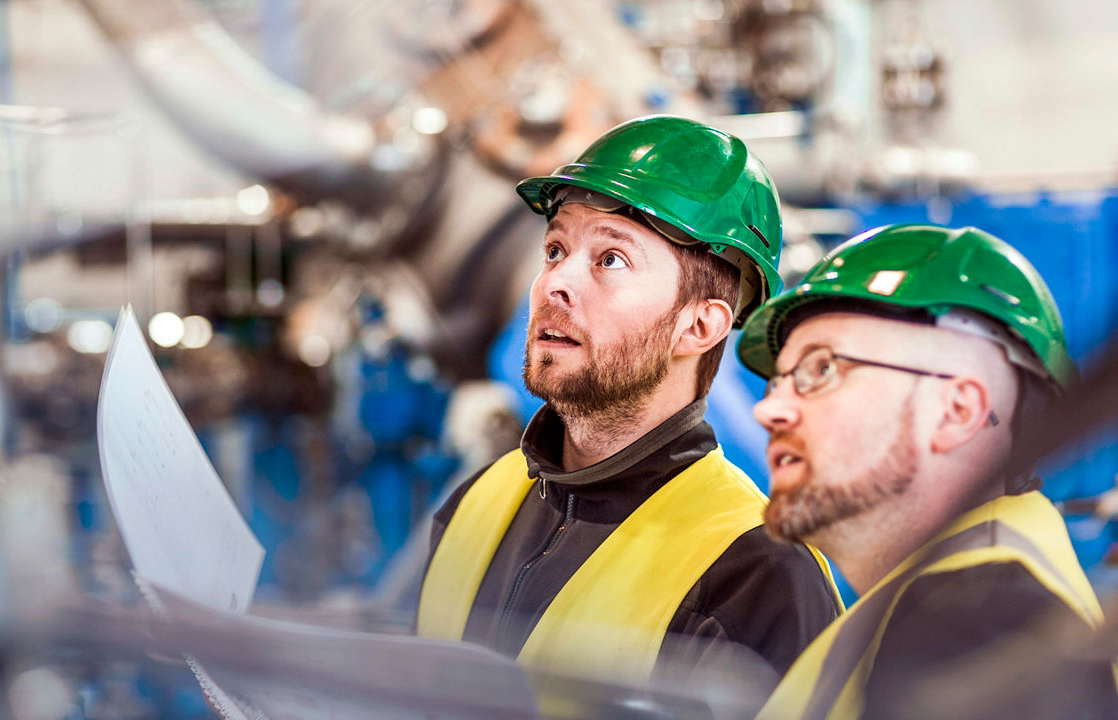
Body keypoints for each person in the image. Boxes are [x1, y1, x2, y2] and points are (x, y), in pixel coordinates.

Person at [415, 115, 842, 705]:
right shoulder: (475, 503)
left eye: (610, 260)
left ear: (698, 325)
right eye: (556, 249)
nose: (553, 284)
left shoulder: (758, 573)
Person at [738, 223, 1117, 720]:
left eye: (823, 369)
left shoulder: (981, 625)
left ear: (957, 411)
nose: (769, 412)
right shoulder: (944, 600)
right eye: (776, 383)